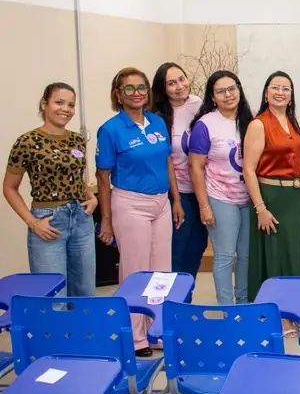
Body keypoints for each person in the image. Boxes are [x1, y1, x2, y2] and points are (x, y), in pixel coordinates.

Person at [96, 67, 181, 357]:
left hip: (161, 202)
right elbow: (103, 177)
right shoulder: (111, 129)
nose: (136, 93)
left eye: (141, 87)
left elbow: (167, 162)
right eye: (129, 88)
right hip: (130, 203)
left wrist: (176, 200)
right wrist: (106, 220)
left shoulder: (157, 122)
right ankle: (134, 337)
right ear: (118, 94)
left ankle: (155, 331)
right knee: (135, 271)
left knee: (161, 272)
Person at [4, 83, 98, 297]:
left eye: (71, 104)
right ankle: (54, 332)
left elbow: (75, 178)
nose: (66, 109)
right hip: (48, 221)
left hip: (81, 219)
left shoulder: (77, 140)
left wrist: (91, 197)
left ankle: (82, 332)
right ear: (44, 104)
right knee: (53, 295)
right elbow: (9, 188)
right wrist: (33, 223)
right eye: (59, 102)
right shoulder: (27, 142)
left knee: (85, 291)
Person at [244, 71, 300, 306]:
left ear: (291, 96)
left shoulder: (292, 122)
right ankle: (277, 311)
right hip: (272, 197)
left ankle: (297, 307)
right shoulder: (259, 124)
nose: (280, 93)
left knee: (296, 252)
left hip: (295, 198)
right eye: (275, 87)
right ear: (266, 93)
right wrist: (260, 208)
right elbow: (248, 170)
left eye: (286, 88)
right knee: (276, 255)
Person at [188, 71, 253, 305]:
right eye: (221, 91)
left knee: (245, 257)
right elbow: (195, 168)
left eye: (232, 88)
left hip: (248, 199)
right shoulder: (205, 124)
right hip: (219, 198)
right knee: (225, 257)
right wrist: (204, 206)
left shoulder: (250, 120)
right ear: (212, 97)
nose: (228, 95)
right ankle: (228, 310)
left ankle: (243, 306)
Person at [151, 62, 207, 280]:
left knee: (197, 246)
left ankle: (186, 300)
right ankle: (170, 303)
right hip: (176, 193)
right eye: (171, 83)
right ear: (163, 88)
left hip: (201, 191)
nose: (179, 86)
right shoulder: (156, 116)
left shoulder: (198, 105)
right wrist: (175, 200)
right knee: (176, 251)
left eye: (181, 79)